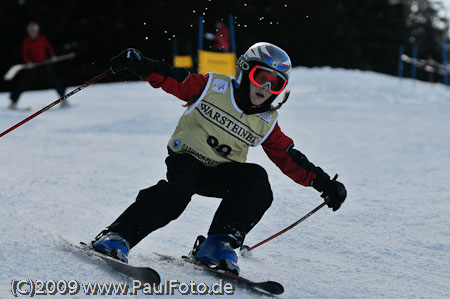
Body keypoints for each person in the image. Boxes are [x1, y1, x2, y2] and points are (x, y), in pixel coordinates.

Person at [91, 43, 347, 274]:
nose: (266, 89)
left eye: (276, 84)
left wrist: (324, 184)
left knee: (257, 181)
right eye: (261, 78)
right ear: (245, 71)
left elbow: (289, 157)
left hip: (220, 173)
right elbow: (172, 78)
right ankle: (118, 235)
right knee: (177, 195)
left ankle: (218, 243)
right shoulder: (212, 88)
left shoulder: (265, 121)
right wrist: (141, 65)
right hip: (188, 160)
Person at [9, 22, 67, 109]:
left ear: (37, 31)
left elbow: (49, 48)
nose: (33, 32)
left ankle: (64, 100)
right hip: (32, 66)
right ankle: (13, 102)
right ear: (28, 32)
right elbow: (24, 54)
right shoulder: (26, 42)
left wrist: (53, 56)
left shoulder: (42, 39)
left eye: (34, 30)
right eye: (31, 30)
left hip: (43, 65)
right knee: (23, 84)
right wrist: (28, 62)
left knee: (54, 81)